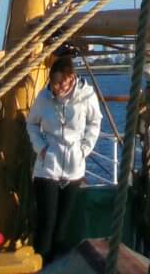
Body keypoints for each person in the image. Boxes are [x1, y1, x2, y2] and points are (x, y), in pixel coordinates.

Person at [25, 53, 101, 264]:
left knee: (62, 227)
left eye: (60, 83)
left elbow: (95, 123)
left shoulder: (87, 96)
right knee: (46, 224)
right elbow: (31, 124)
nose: (56, 88)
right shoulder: (44, 98)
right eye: (53, 83)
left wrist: (84, 149)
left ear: (71, 78)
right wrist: (41, 148)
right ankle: (39, 267)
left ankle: (55, 268)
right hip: (47, 168)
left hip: (73, 169)